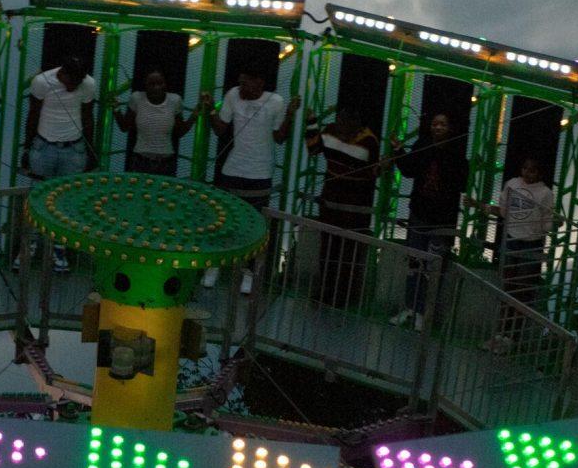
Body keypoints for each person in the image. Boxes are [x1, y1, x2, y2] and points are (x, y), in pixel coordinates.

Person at [199, 61, 300, 293]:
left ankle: (249, 272)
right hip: (232, 169)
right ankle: (214, 266)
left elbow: (280, 137)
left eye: (246, 82)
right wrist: (210, 108)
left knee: (255, 225)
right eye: (240, 82)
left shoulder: (275, 101)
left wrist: (290, 116)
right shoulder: (233, 95)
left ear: (259, 83)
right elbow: (220, 129)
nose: (241, 87)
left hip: (260, 172)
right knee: (223, 219)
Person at [388, 113, 469, 331]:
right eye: (434, 124)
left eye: (442, 124)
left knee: (433, 268)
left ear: (449, 128)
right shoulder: (422, 145)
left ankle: (425, 313)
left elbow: (461, 183)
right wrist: (397, 150)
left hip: (442, 221)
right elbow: (408, 170)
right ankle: (410, 308)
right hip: (420, 215)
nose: (437, 127)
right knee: (414, 264)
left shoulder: (455, 153)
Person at [469, 156, 558, 351]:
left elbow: (547, 223)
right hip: (511, 242)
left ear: (540, 173)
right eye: (525, 168)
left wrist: (554, 224)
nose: (527, 173)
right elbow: (503, 211)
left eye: (532, 170)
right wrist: (480, 206)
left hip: (530, 245)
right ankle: (500, 334)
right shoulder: (512, 184)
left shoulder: (545, 193)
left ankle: (510, 338)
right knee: (507, 289)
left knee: (521, 293)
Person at [20, 56, 97, 273]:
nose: (74, 86)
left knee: (65, 201)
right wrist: (27, 148)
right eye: (71, 81)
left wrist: (91, 151)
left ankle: (59, 249)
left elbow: (88, 116)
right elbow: (32, 114)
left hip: (74, 150)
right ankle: (29, 246)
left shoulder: (88, 85)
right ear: (62, 73)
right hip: (43, 147)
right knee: (35, 199)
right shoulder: (42, 82)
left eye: (78, 82)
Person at [305, 106, 380, 309]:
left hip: (354, 210)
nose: (341, 127)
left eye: (346, 123)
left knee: (348, 253)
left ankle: (344, 298)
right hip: (330, 205)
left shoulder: (369, 141)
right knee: (327, 250)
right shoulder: (330, 131)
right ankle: (324, 292)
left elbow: (374, 172)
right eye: (339, 122)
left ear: (356, 124)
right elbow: (313, 148)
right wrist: (311, 122)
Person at [116, 68, 192, 177]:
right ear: (145, 84)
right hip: (140, 162)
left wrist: (195, 115)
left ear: (165, 84)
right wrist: (116, 110)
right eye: (151, 84)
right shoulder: (137, 98)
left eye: (160, 83)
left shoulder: (175, 100)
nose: (156, 87)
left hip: (166, 163)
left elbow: (180, 132)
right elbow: (124, 127)